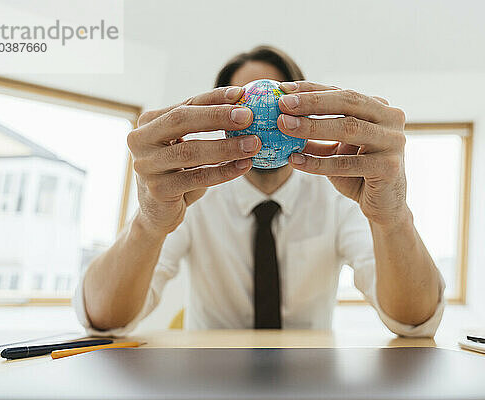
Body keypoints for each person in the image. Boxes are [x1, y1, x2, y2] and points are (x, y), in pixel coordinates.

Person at [74, 45, 445, 336]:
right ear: (224, 121)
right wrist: (149, 224)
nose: (258, 119)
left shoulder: (339, 193)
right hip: (210, 381)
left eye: (275, 103)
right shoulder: (191, 193)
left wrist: (392, 217)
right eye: (242, 107)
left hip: (309, 382)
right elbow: (105, 319)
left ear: (303, 115)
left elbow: (413, 320)